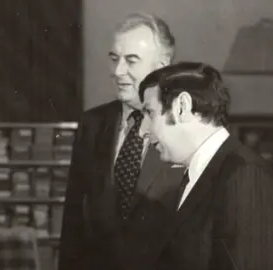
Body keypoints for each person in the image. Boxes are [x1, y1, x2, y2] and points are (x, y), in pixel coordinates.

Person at [58, 13, 185, 270]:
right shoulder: (92, 124)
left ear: (162, 65)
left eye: (131, 61)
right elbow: (74, 220)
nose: (118, 72)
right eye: (115, 59)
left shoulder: (183, 127)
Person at [138, 62, 273, 270]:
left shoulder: (246, 176)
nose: (142, 130)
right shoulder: (199, 174)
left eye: (149, 113)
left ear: (182, 106)